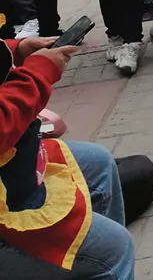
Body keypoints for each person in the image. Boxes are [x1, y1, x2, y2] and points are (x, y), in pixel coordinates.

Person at [0, 34, 137, 280]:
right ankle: (99, 262)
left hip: (17, 164)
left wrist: (15, 50)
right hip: (8, 194)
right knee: (117, 249)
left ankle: (86, 263)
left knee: (98, 163)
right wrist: (37, 74)